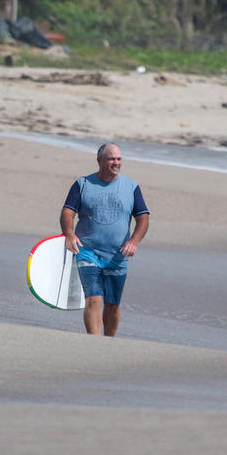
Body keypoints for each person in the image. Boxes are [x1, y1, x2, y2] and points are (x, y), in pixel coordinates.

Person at [60, 142, 150, 336]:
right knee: (93, 298)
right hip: (87, 251)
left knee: (112, 304)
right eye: (111, 159)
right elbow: (67, 212)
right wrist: (69, 233)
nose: (116, 163)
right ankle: (94, 342)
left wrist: (133, 241)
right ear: (99, 160)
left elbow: (143, 217)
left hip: (117, 255)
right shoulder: (83, 184)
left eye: (119, 159)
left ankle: (108, 342)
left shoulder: (131, 187)